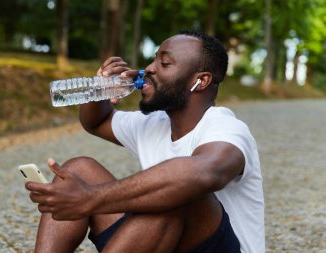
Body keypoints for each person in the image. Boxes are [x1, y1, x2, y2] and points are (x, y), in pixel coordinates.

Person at [25, 30, 265, 253]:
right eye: (153, 59)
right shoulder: (154, 123)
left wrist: (89, 198)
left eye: (165, 63)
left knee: (178, 196)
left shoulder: (226, 128)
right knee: (80, 169)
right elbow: (97, 122)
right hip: (161, 240)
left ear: (200, 81)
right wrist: (100, 90)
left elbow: (205, 174)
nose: (149, 68)